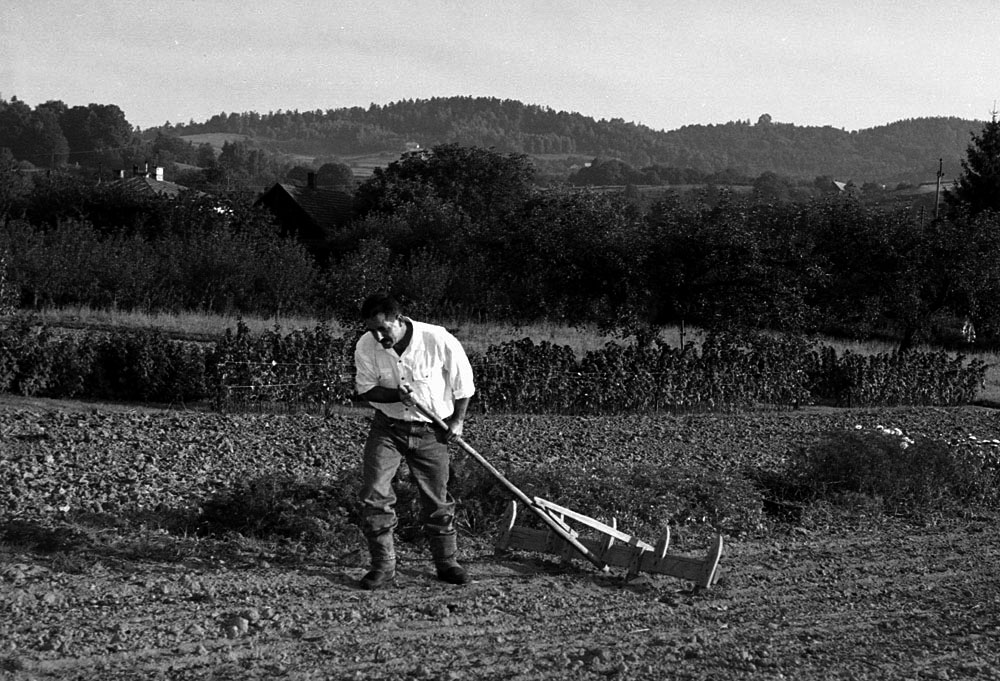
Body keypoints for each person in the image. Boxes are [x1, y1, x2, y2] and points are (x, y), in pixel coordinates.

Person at [353, 293, 476, 590]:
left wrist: (457, 422)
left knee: (437, 498)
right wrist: (397, 395)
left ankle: (447, 563)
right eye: (373, 330)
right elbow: (367, 390)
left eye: (384, 329)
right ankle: (384, 566)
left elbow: (464, 385)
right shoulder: (366, 345)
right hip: (388, 428)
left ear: (399, 319)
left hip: (433, 431)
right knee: (375, 493)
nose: (379, 336)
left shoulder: (437, 339)